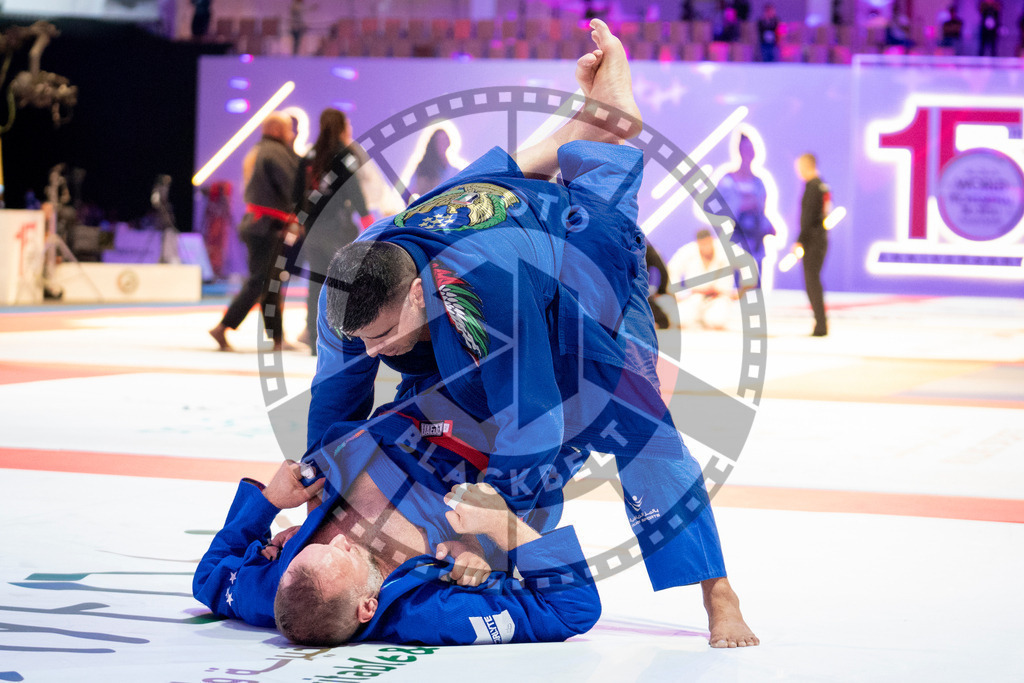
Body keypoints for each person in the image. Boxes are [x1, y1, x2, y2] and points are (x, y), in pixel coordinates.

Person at [312, 19, 757, 648]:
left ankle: (719, 591)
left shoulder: (481, 290)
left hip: (584, 279)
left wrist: (495, 526)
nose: (373, 352)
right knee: (432, 402)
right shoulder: (360, 277)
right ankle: (584, 132)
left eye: (382, 335)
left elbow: (537, 421)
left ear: (416, 291)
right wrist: (318, 474)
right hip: (507, 227)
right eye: (363, 341)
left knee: (642, 432)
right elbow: (337, 389)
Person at [194, 400, 600, 646]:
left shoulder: (274, 595)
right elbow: (571, 611)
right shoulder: (431, 612)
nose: (339, 541)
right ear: (368, 608)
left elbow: (209, 577)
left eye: (316, 548)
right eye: (343, 557)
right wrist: (501, 526)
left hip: (407, 411)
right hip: (503, 457)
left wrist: (268, 503)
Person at [209, 112, 299, 352]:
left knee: (269, 282)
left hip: (260, 224)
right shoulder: (275, 153)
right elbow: (292, 188)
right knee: (262, 281)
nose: (292, 134)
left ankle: (277, 338)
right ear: (278, 131)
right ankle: (223, 326)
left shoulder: (261, 151)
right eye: (289, 129)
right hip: (266, 226)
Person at [294, 108, 371, 353]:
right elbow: (353, 189)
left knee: (316, 282)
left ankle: (313, 335)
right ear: (341, 126)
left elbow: (297, 192)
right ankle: (339, 339)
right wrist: (367, 218)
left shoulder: (309, 155)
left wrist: (299, 220)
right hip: (336, 229)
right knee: (341, 283)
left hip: (312, 229)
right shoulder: (345, 155)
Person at [716, 133, 774, 288]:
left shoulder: (759, 182)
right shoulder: (728, 180)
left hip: (756, 236)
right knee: (737, 278)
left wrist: (767, 225)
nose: (749, 152)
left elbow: (762, 209)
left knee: (756, 279)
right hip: (736, 235)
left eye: (751, 149)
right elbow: (713, 206)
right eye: (746, 149)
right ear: (739, 151)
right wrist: (737, 208)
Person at [669, 229, 736, 330]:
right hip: (694, 296)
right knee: (679, 320)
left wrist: (733, 291)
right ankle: (698, 319)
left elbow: (746, 263)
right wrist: (678, 294)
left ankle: (706, 319)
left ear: (712, 240)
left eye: (708, 243)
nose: (706, 247)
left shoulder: (724, 251)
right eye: (703, 244)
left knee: (717, 321)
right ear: (698, 243)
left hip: (717, 297)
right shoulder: (687, 251)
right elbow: (672, 270)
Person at [794, 153, 830, 337]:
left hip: (813, 240)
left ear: (807, 165)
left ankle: (821, 324)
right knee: (813, 281)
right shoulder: (822, 186)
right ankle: (820, 322)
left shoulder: (812, 187)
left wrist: (800, 240)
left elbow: (808, 217)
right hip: (820, 238)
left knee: (812, 281)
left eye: (799, 166)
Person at [409, 129, 459, 198]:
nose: (442, 144)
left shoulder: (455, 172)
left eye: (444, 140)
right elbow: (409, 191)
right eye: (439, 141)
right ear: (433, 144)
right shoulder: (422, 169)